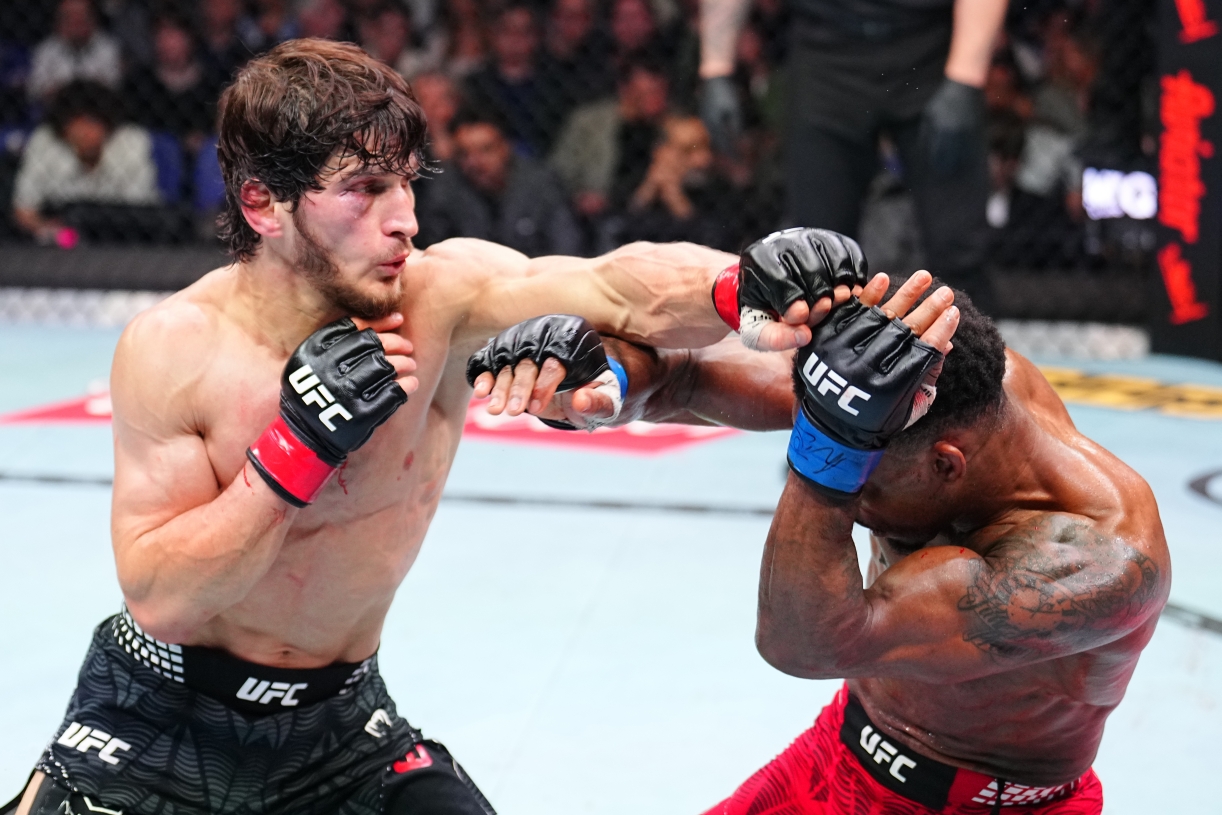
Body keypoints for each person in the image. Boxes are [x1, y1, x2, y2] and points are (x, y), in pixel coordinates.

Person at [4, 37, 771, 815]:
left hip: (340, 727)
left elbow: (615, 286)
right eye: (365, 188)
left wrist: (743, 282)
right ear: (263, 204)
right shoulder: (177, 346)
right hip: (158, 720)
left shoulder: (441, 298)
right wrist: (297, 448)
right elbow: (162, 598)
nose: (405, 219)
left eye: (405, 182)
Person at [484, 228, 1169, 814]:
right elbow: (685, 375)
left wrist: (833, 455)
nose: (857, 503)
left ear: (946, 465)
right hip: (837, 752)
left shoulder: (1101, 558)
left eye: (866, 477)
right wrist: (602, 379)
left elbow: (806, 645)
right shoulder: (924, 381)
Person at [698, 0, 1009, 314]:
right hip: (827, 50)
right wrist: (716, 69)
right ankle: (821, 344)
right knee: (816, 251)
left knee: (959, 247)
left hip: (930, 47)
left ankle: (971, 344)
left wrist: (965, 78)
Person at [414, 109, 582, 256]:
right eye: (464, 154)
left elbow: (567, 249)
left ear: (507, 146)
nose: (474, 162)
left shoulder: (541, 185)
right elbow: (431, 249)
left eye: (485, 150)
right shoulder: (446, 189)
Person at [11, 80, 158, 244]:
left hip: (122, 241)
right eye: (76, 122)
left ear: (108, 124)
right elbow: (23, 208)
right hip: (62, 242)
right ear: (63, 126)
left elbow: (140, 210)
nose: (85, 131)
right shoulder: (44, 141)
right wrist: (50, 230)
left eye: (92, 122)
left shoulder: (132, 142)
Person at [27, 0, 122, 103]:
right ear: (58, 22)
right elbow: (35, 90)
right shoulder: (45, 50)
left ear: (94, 20)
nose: (76, 22)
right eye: (69, 17)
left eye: (82, 16)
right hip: (56, 108)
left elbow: (112, 86)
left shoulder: (109, 48)